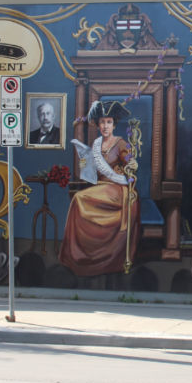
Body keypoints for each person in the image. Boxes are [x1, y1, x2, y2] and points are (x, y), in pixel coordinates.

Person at [59, 100, 140, 276]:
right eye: (102, 122)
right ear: (98, 124)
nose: (105, 126)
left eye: (109, 122)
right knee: (77, 200)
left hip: (118, 189)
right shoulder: (96, 144)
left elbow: (130, 167)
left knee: (80, 198)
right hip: (101, 187)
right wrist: (85, 165)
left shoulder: (120, 143)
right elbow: (92, 172)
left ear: (114, 124)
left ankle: (101, 256)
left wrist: (132, 163)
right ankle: (78, 254)